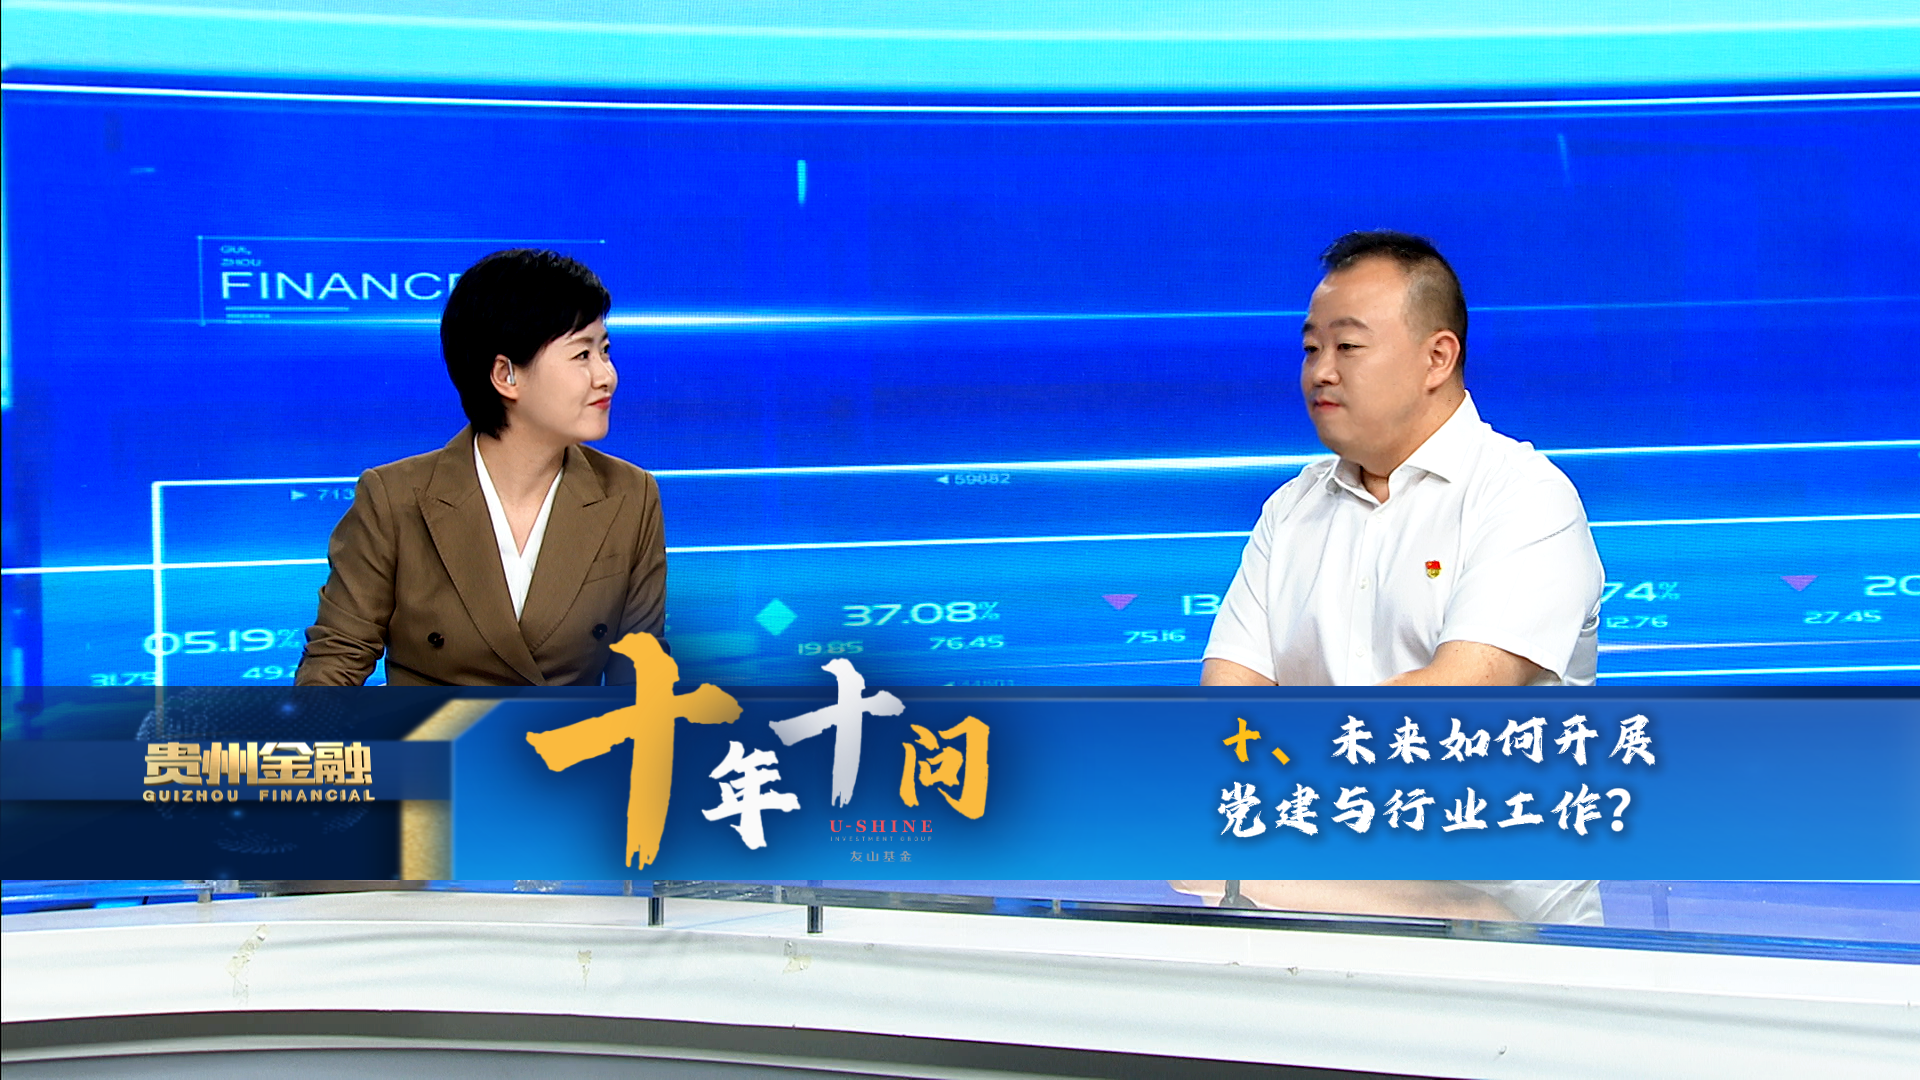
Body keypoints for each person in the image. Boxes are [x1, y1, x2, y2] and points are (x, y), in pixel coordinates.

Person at [1185, 231, 1605, 923]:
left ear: (1438, 357)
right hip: (1309, 914)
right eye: (1310, 348)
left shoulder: (1525, 497)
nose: (1320, 372)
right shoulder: (1289, 511)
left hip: (1506, 933)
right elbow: (1223, 717)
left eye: (1347, 347)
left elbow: (1445, 710)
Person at [296, 249, 665, 686]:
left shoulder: (631, 495)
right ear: (505, 375)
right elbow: (334, 663)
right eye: (582, 355)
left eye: (604, 350)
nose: (607, 376)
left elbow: (640, 678)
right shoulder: (393, 500)